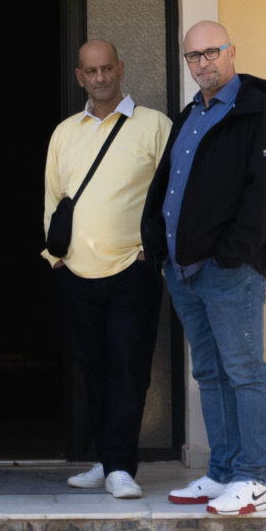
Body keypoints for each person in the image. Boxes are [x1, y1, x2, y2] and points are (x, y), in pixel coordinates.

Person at [141, 21, 266, 517]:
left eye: (211, 52)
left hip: (229, 270)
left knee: (244, 371)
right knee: (209, 371)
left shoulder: (257, 116)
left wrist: (232, 254)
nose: (203, 63)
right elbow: (167, 186)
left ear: (231, 52)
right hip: (183, 272)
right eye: (193, 56)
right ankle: (222, 471)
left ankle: (252, 480)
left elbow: (264, 196)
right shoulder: (190, 116)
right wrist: (160, 250)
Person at [42, 39, 173, 500]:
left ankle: (120, 465)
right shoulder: (65, 133)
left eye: (107, 70)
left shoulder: (155, 125)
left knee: (128, 369)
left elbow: (171, 197)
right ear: (80, 76)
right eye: (90, 72)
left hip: (132, 269)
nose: (100, 78)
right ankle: (105, 458)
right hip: (76, 271)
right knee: (94, 369)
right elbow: (52, 198)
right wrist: (57, 258)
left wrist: (153, 255)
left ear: (120, 69)